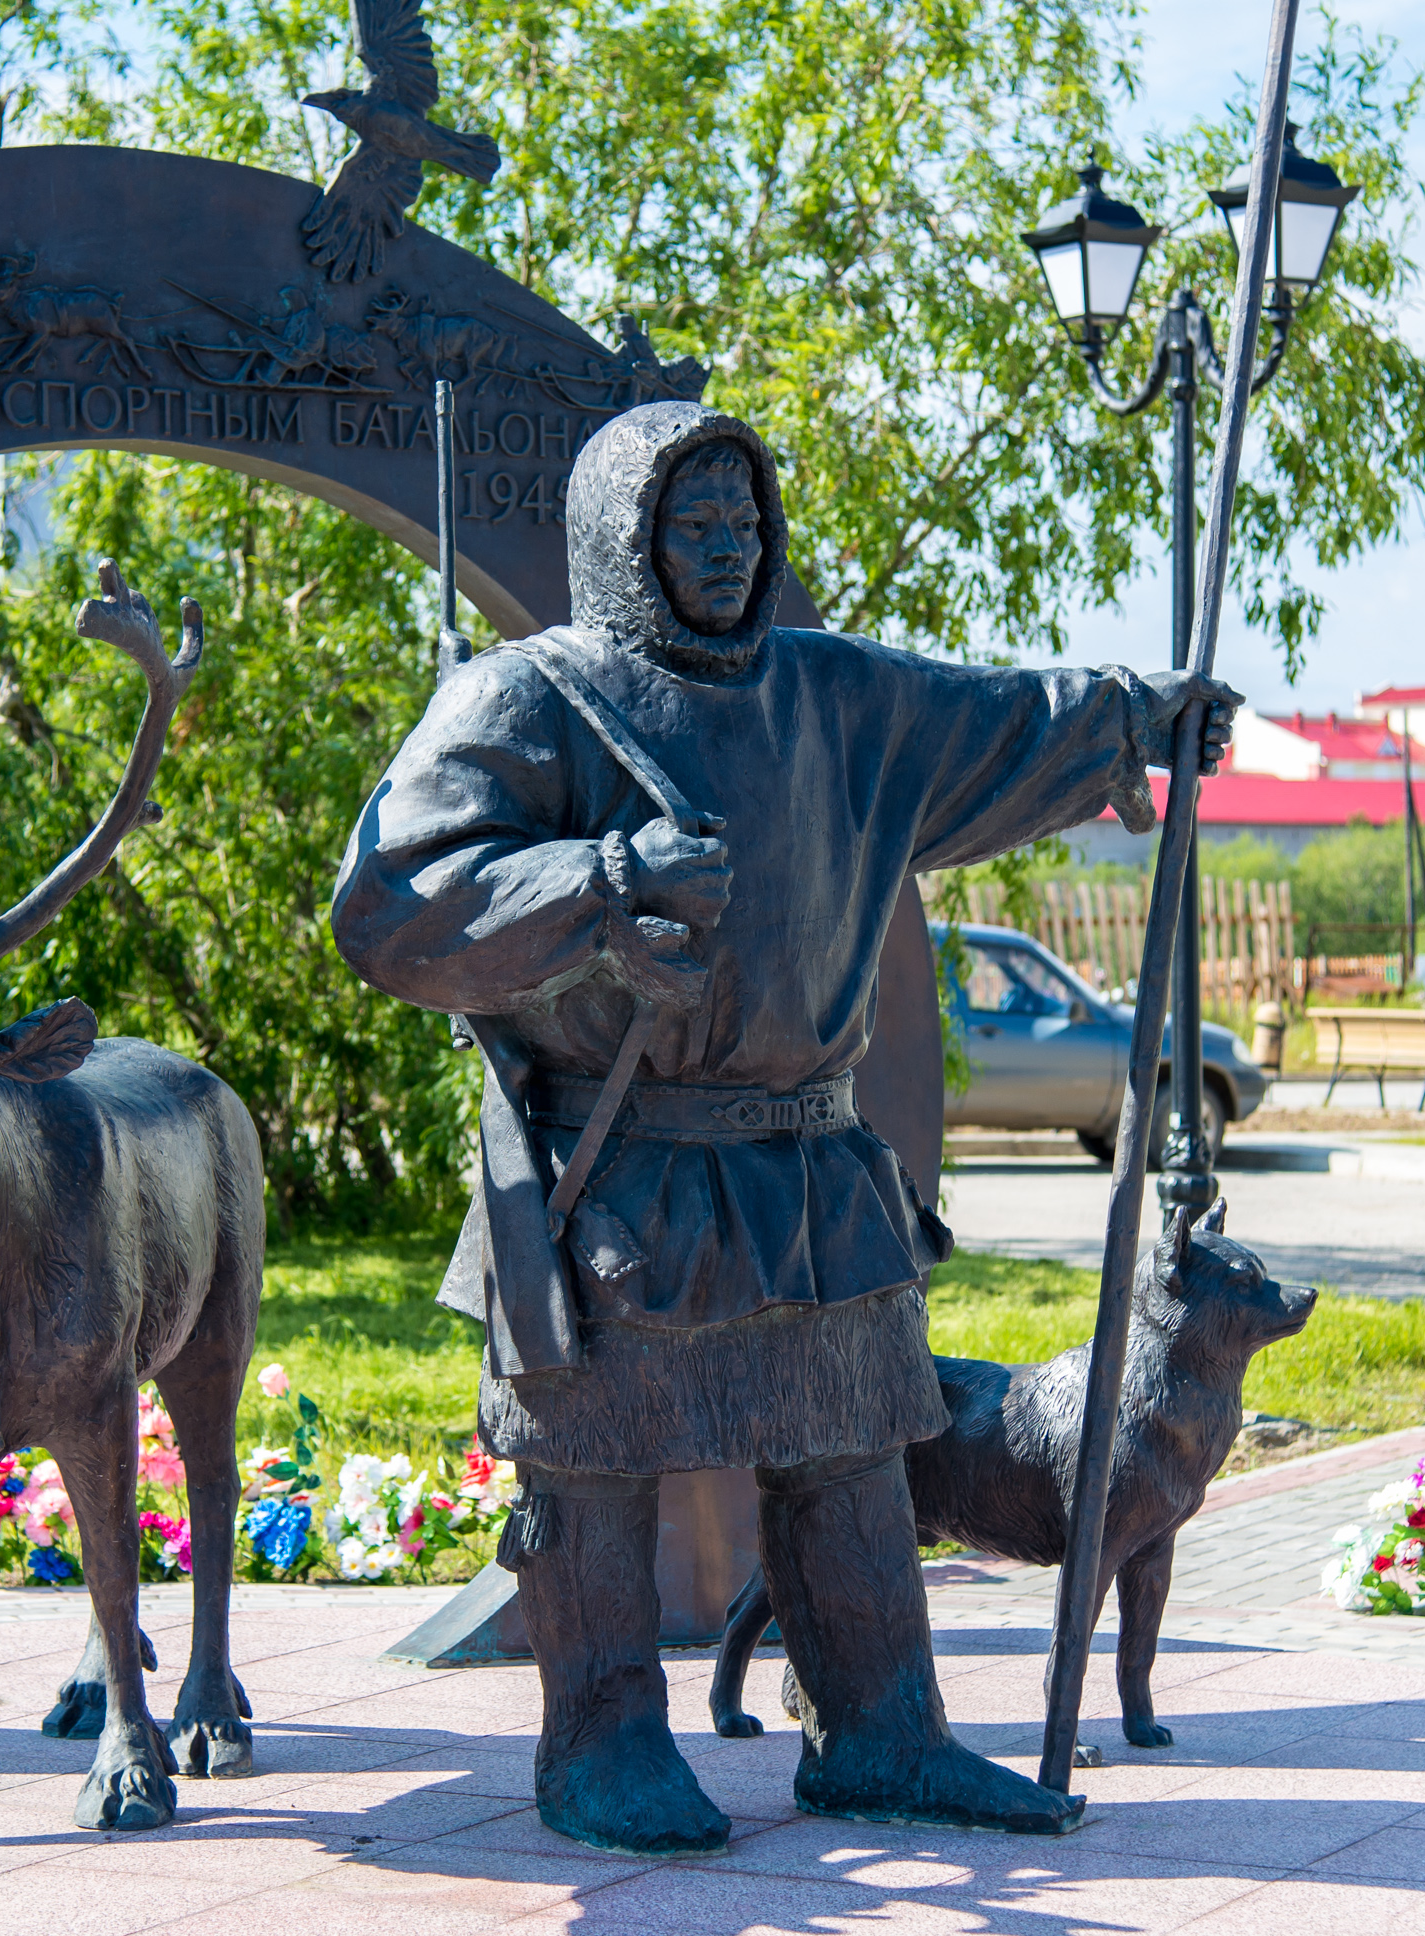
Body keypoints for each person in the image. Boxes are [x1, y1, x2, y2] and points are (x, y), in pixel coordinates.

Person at [331, 400, 1238, 1855]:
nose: (727, 550)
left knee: (851, 1457)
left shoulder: (839, 699)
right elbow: (389, 904)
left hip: (810, 1159)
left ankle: (881, 1732)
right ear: (620, 541)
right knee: (603, 1470)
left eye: (745, 523)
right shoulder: (533, 697)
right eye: (691, 527)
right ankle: (604, 1745)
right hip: (616, 1167)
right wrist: (596, 876)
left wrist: (1141, 718)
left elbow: (1001, 721)